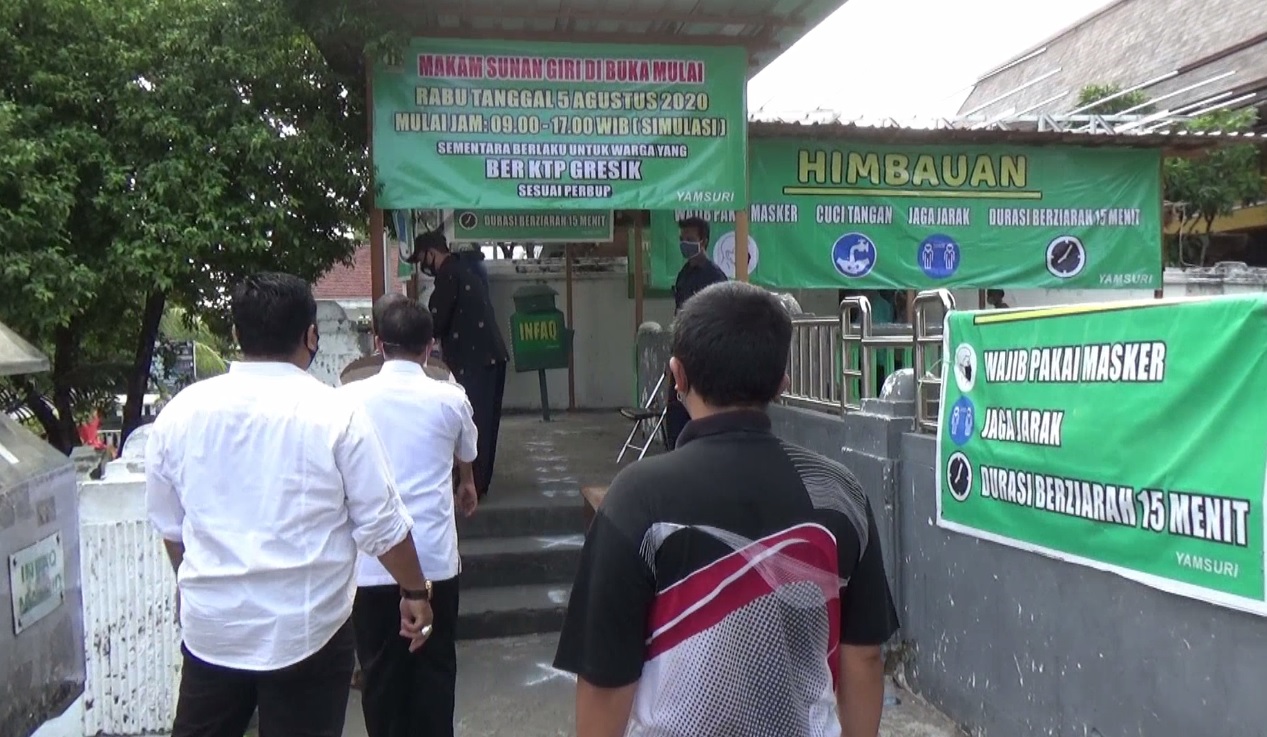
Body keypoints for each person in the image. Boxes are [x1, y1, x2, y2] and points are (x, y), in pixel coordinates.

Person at [554, 281, 900, 737]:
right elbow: (864, 655)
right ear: (782, 383)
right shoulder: (839, 493)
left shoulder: (638, 496)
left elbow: (604, 680)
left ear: (677, 377)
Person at [145, 272, 435, 737]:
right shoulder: (335, 413)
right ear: (311, 335)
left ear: (237, 335)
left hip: (212, 631)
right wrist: (415, 591)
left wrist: (193, 586)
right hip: (308, 633)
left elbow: (171, 529)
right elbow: (380, 527)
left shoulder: (180, 412)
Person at [339, 294, 479, 737]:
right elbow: (467, 451)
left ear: (379, 344)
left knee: (380, 677)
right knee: (435, 672)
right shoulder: (451, 398)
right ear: (430, 346)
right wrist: (467, 482)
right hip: (434, 561)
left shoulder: (347, 400)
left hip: (372, 563)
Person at [413, 230, 508, 497]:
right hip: (490, 356)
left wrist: (413, 340)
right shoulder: (466, 268)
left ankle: (472, 485)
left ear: (433, 252)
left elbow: (436, 321)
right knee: (484, 425)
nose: (424, 266)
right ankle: (479, 482)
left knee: (472, 424)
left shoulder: (449, 274)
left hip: (475, 360)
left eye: (424, 259)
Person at [664, 216, 727, 449]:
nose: (684, 244)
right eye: (682, 239)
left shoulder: (714, 277)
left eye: (690, 239)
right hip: (681, 359)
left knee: (700, 424)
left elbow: (719, 322)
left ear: (704, 241)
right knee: (676, 420)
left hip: (702, 362)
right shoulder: (684, 274)